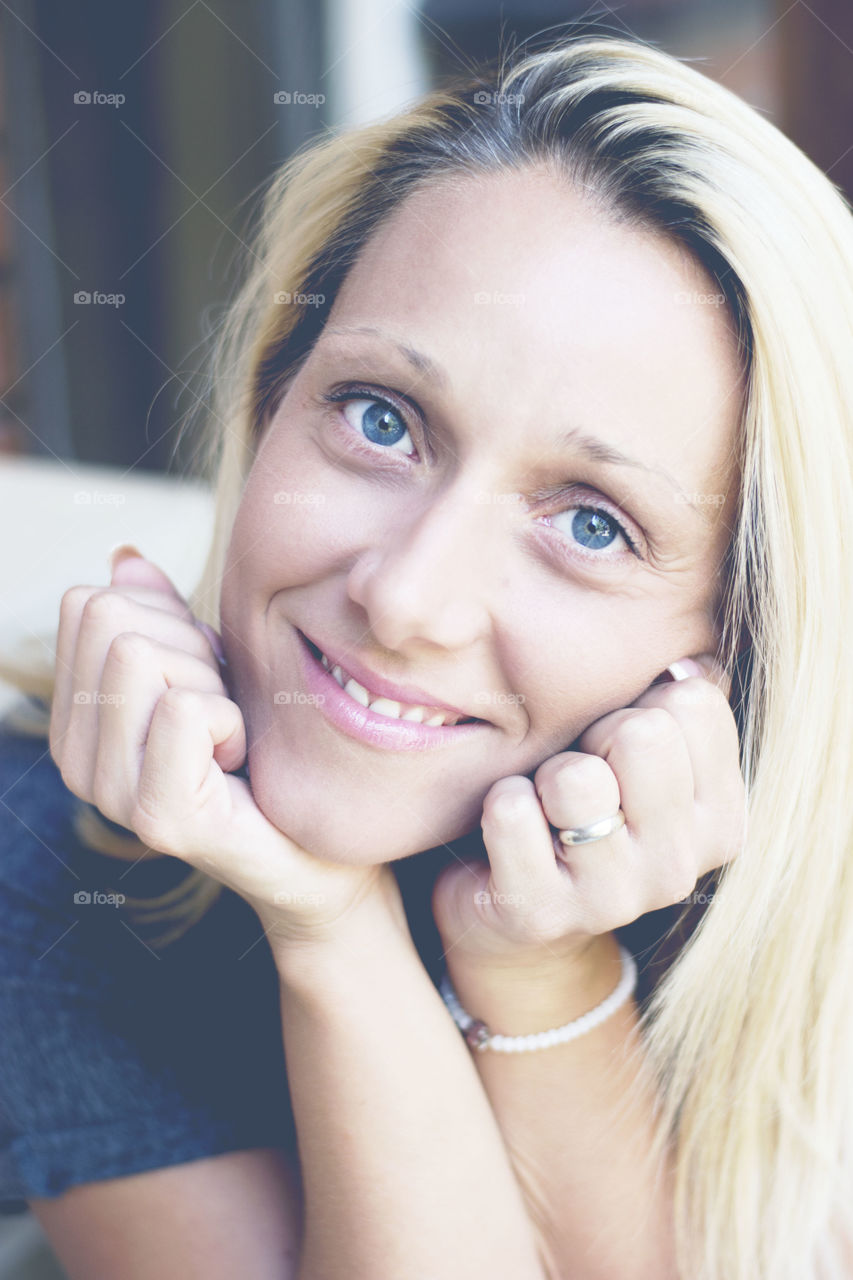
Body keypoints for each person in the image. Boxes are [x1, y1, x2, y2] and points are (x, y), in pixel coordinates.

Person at [1, 29, 852, 1280]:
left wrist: (536, 963)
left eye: (588, 522)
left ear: (735, 637)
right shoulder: (57, 852)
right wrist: (330, 931)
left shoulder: (807, 935)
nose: (407, 597)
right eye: (383, 419)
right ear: (270, 403)